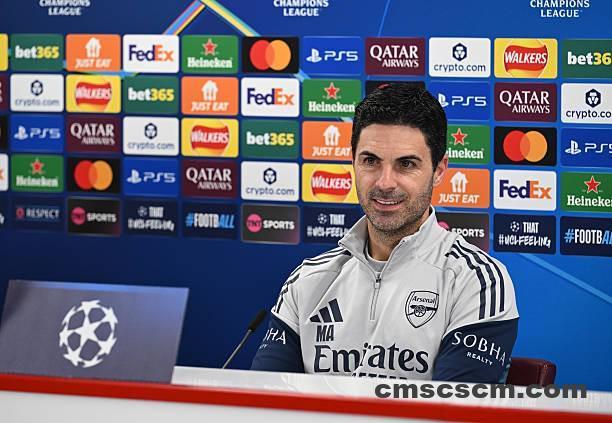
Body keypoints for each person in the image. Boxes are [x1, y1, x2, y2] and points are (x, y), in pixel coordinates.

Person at [251, 84, 519, 382]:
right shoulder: (307, 280)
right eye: (370, 161)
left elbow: (451, 406)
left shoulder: (476, 281)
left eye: (406, 164)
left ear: (439, 170)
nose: (385, 183)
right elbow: (264, 398)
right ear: (353, 161)